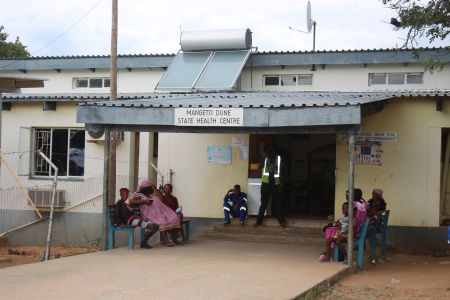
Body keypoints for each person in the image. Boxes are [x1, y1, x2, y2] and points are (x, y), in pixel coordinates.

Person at [129, 180, 182, 247]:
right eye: (148, 187)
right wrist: (144, 201)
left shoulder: (152, 194)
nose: (149, 188)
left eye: (149, 187)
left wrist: (154, 187)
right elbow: (130, 202)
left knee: (175, 217)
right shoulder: (138, 194)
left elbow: (162, 198)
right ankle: (166, 241)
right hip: (148, 214)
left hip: (158, 212)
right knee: (161, 220)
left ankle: (174, 239)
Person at [255, 144, 286, 227]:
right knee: (263, 204)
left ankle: (282, 221)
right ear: (266, 151)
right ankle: (258, 221)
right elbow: (260, 166)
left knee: (278, 203)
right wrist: (263, 157)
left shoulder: (279, 158)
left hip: (276, 184)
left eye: (272, 150)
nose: (270, 152)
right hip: (265, 184)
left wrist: (281, 184)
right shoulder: (265, 158)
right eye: (268, 150)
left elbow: (282, 172)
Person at [367, 188, 387, 264]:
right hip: (373, 220)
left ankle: (372, 246)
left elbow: (375, 211)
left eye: (374, 194)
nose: (372, 195)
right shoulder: (370, 201)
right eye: (372, 194)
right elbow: (367, 208)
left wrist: (371, 210)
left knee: (369, 228)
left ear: (378, 195)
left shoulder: (382, 203)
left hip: (378, 223)